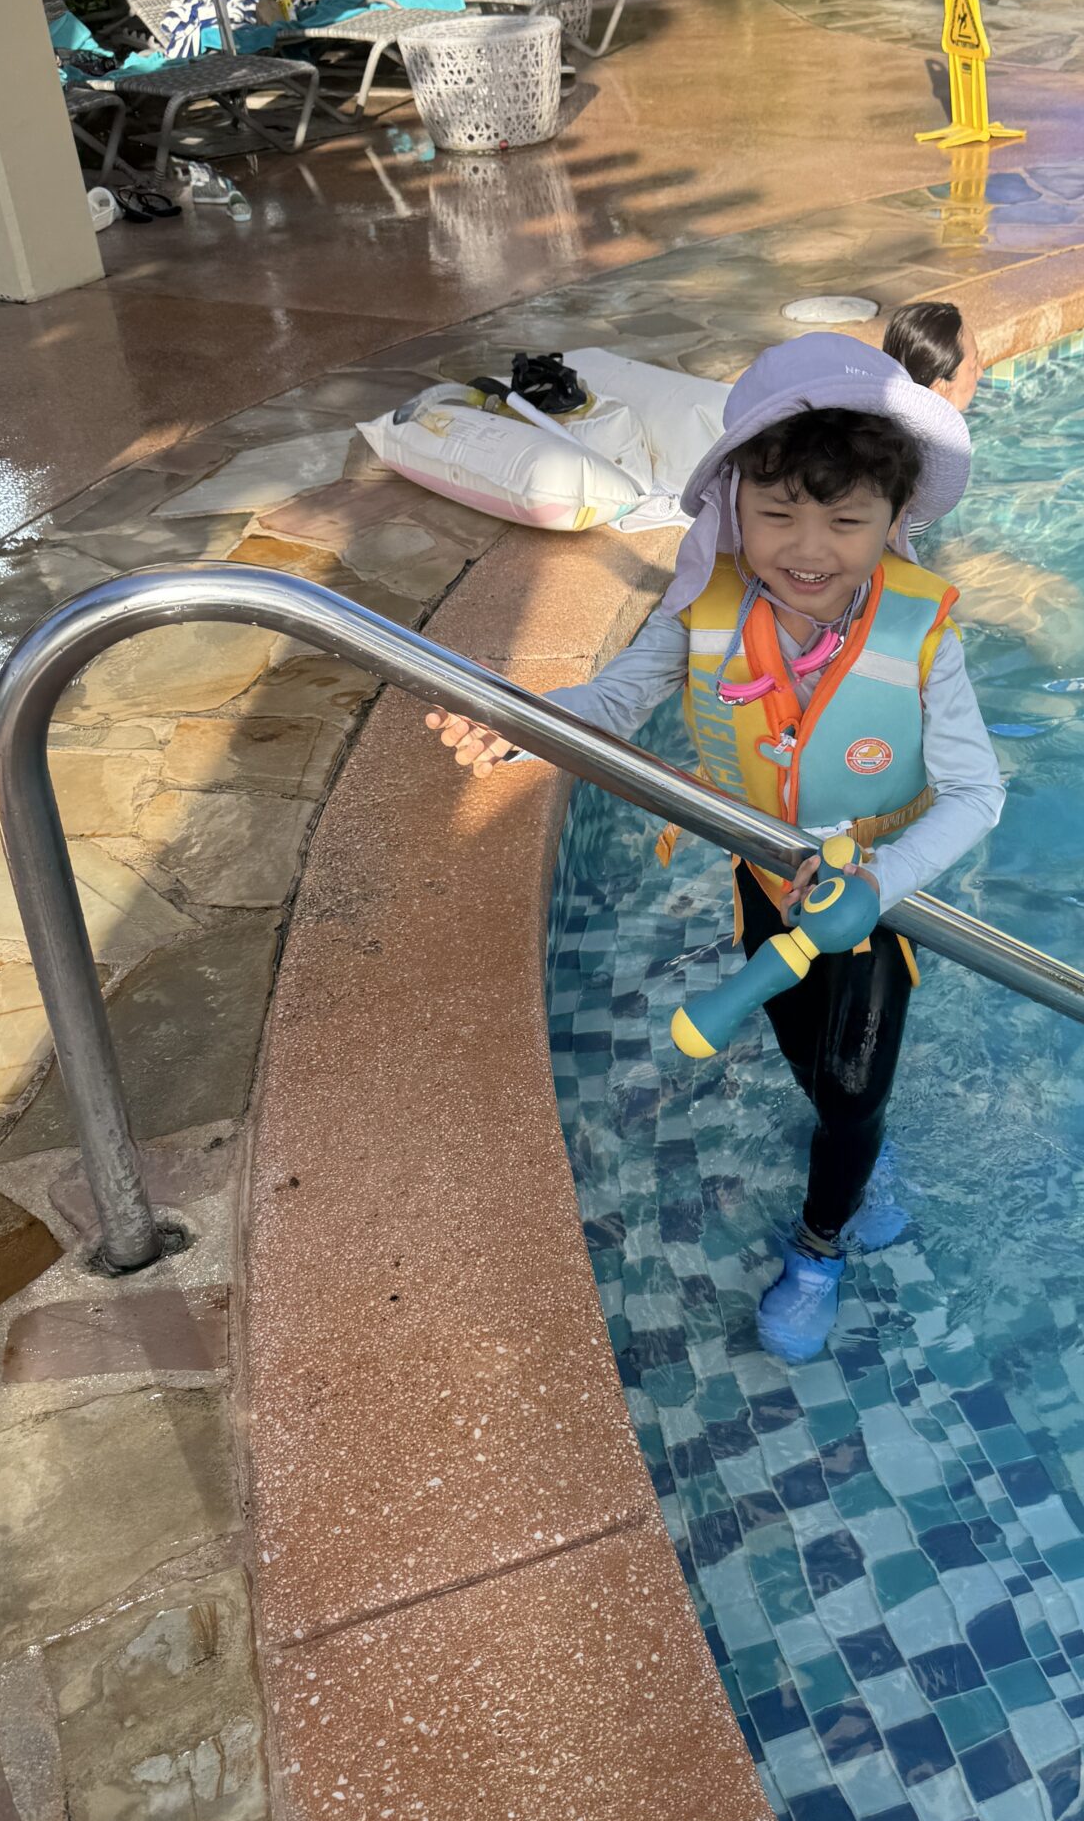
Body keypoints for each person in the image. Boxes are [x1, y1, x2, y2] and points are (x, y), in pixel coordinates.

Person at [426, 335, 1006, 1366]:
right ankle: (851, 1150)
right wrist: (527, 720)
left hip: (875, 903)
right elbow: (615, 697)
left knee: (857, 1080)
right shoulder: (706, 608)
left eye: (845, 518)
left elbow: (977, 793)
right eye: (778, 512)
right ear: (734, 504)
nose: (809, 548)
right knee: (801, 1054)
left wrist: (883, 884)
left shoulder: (925, 635)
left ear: (892, 520)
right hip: (766, 878)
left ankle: (821, 1243)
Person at [884, 298, 1084, 662]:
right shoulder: (910, 456)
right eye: (973, 363)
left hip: (936, 558)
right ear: (942, 384)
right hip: (916, 579)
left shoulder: (904, 432)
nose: (980, 373)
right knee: (1045, 611)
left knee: (1059, 594)